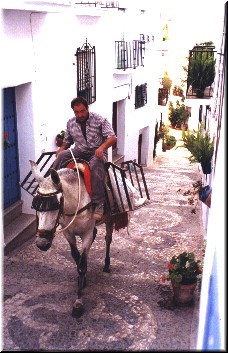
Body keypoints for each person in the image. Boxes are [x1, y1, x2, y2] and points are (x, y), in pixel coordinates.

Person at [52, 96, 117, 221]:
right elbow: (67, 141)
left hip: (96, 152)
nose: (80, 114)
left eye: (82, 111)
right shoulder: (71, 123)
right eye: (77, 112)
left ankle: (99, 203)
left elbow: (112, 138)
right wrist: (62, 148)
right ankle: (51, 184)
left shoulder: (100, 120)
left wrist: (101, 148)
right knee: (61, 156)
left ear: (87, 108)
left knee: (95, 166)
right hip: (79, 150)